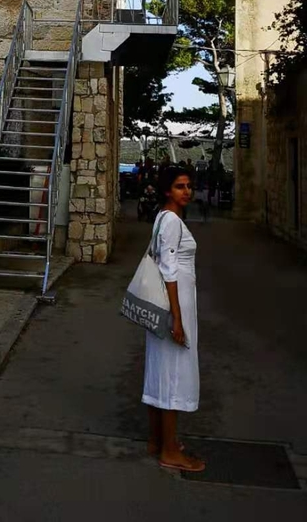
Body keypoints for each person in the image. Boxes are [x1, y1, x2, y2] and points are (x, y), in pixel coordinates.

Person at [142, 165, 205, 472]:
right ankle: (169, 450)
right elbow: (168, 269)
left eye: (189, 186)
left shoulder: (166, 219)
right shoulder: (171, 222)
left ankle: (158, 440)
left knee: (161, 372)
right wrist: (177, 320)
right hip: (173, 306)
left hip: (167, 305)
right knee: (173, 375)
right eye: (180, 186)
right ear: (168, 190)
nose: (187, 191)